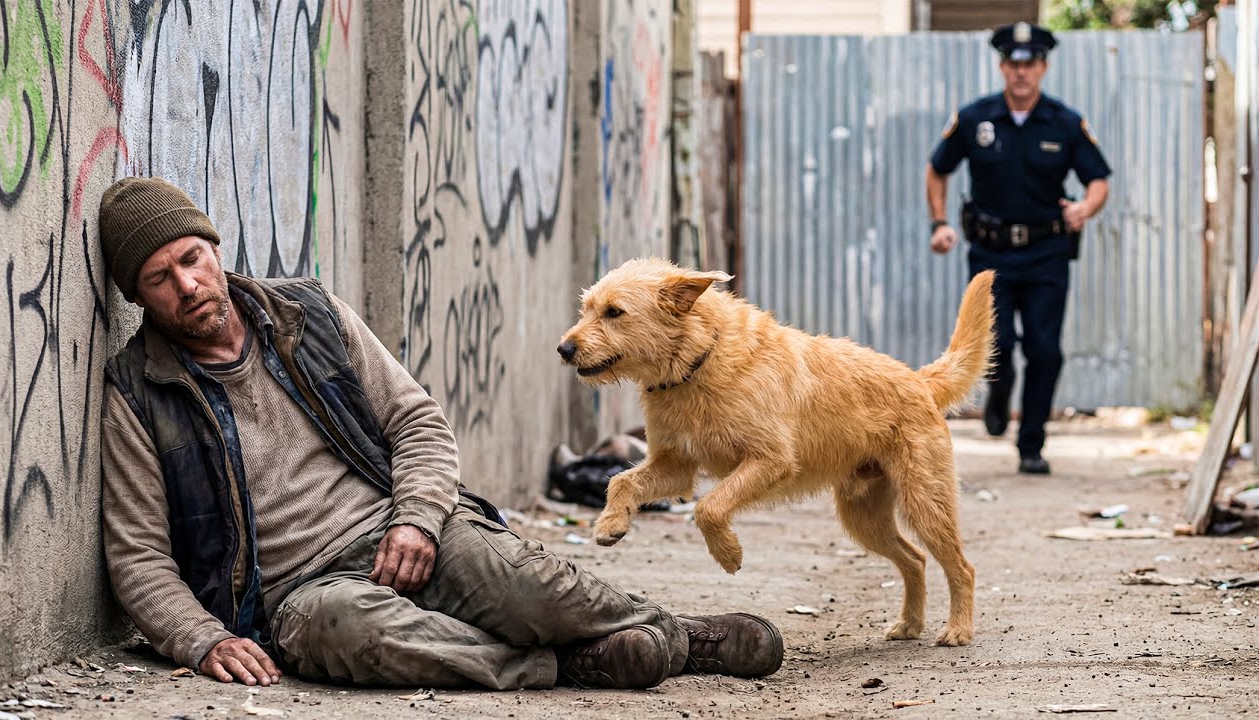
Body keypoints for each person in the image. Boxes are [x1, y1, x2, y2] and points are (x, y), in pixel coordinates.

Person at [97, 177, 784, 691]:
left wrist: (418, 521)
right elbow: (137, 556)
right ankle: (565, 665)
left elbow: (417, 422)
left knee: (521, 585)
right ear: (137, 298)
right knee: (356, 634)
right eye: (160, 279)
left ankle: (675, 634)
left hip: (400, 527)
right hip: (294, 594)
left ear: (214, 248)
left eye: (193, 258)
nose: (188, 285)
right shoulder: (137, 392)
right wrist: (200, 638)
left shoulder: (308, 315)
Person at [925, 22, 1111, 475]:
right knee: (998, 345)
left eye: (1030, 64)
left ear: (1043, 67)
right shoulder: (975, 119)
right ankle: (998, 395)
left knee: (1045, 350)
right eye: (1013, 63)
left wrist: (1085, 208)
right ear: (1002, 66)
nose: (1021, 72)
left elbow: (1099, 179)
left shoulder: (1065, 122)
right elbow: (937, 169)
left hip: (1047, 253)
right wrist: (940, 223)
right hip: (990, 254)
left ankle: (1032, 445)